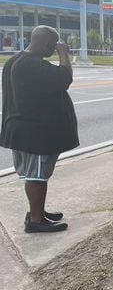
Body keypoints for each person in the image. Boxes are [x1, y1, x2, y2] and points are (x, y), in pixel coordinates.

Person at [0, 26, 79, 233]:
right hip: (34, 133)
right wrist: (64, 55)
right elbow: (65, 78)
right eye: (54, 45)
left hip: (27, 130)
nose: (54, 49)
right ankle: (36, 221)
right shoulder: (29, 65)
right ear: (45, 43)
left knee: (37, 175)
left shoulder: (16, 61)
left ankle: (38, 211)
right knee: (36, 177)